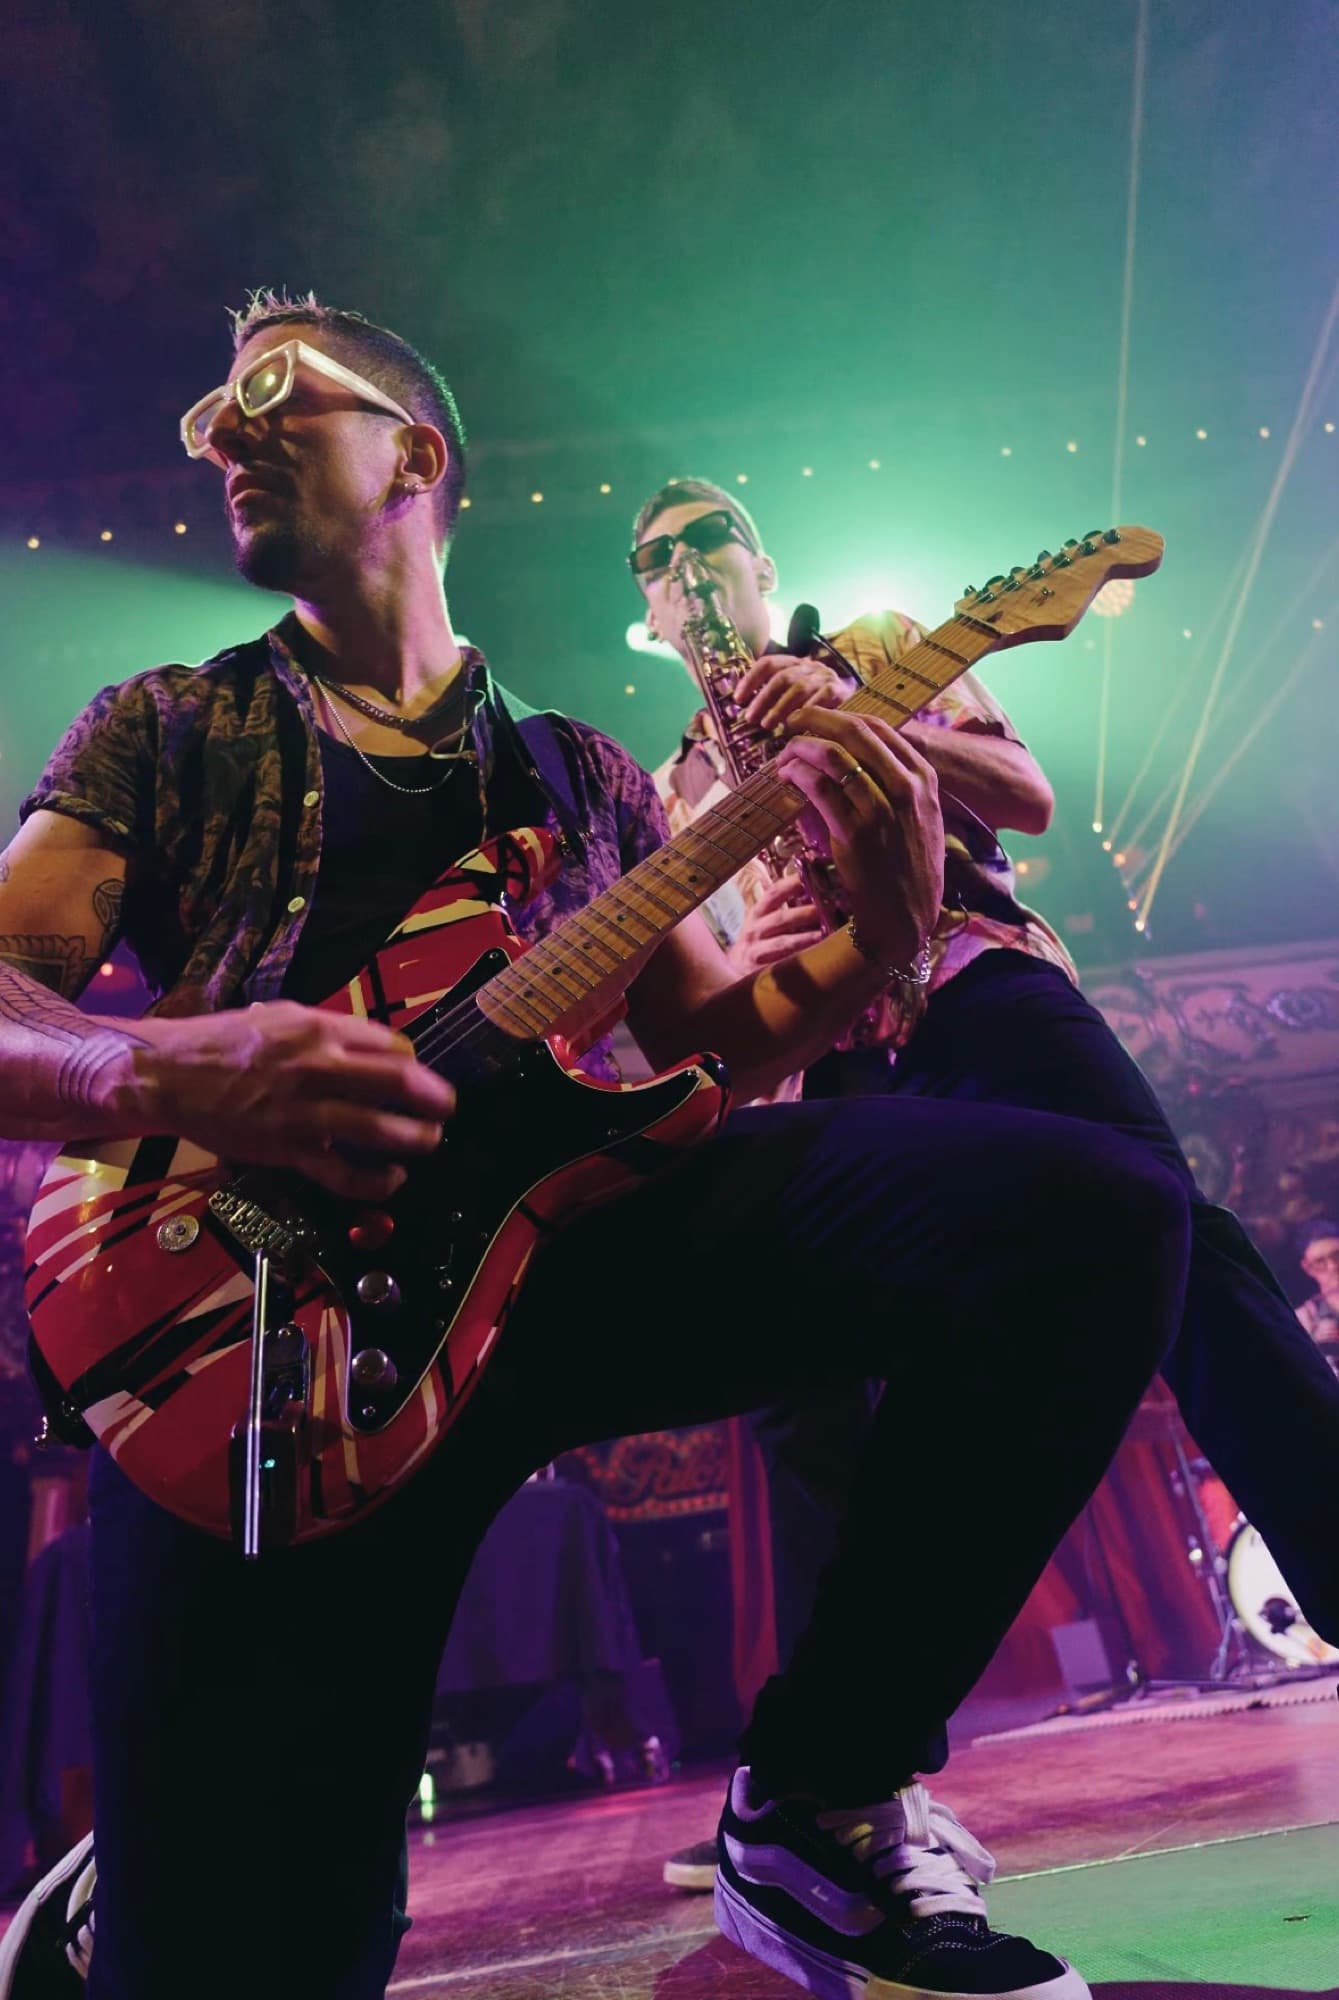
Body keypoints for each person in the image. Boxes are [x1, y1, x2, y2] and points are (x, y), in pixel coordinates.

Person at [0, 297, 1193, 2000]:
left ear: (412, 455)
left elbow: (721, 1041)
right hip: (259, 1349)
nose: (218, 432)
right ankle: (149, 1884)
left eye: (273, 396)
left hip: (565, 1258)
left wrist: (879, 916)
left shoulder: (569, 772)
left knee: (1088, 1219)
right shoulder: (168, 728)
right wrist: (173, 1070)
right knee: (260, 1961)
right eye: (209, 411)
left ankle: (819, 1788)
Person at [627, 479, 1339, 1857]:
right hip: (821, 1043)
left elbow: (1025, 796)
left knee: (1179, 1241)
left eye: (705, 541)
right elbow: (698, 983)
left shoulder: (889, 648)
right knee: (794, 1398)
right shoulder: (666, 786)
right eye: (656, 561)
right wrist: (759, 951)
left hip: (968, 979)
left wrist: (853, 726)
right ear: (646, 608)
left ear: (756, 561)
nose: (686, 571)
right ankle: (838, 1762)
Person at [1295, 1219, 1339, 1371]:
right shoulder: (1304, 1318)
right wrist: (1311, 1341)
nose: (1333, 1266)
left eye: (1337, 1255)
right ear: (1308, 1268)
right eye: (1320, 1261)